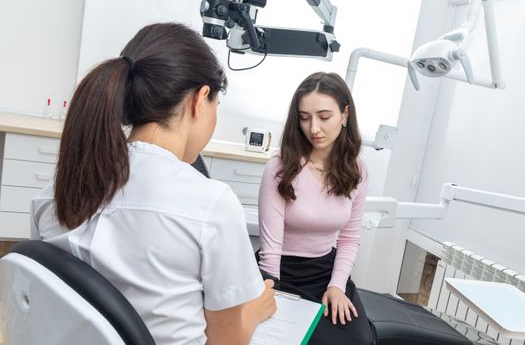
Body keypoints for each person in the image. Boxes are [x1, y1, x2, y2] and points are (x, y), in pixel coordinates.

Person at [30, 23, 276, 345]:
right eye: (217, 105)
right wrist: (253, 311)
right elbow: (225, 341)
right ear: (200, 100)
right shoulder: (210, 203)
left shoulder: (59, 188)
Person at [257, 72, 374, 344]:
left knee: (358, 340)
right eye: (305, 117)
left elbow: (349, 238)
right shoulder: (280, 168)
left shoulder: (357, 171)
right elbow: (271, 246)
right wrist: (269, 292)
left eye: (324, 116)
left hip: (325, 272)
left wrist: (337, 286)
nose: (314, 128)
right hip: (280, 272)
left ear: (345, 115)